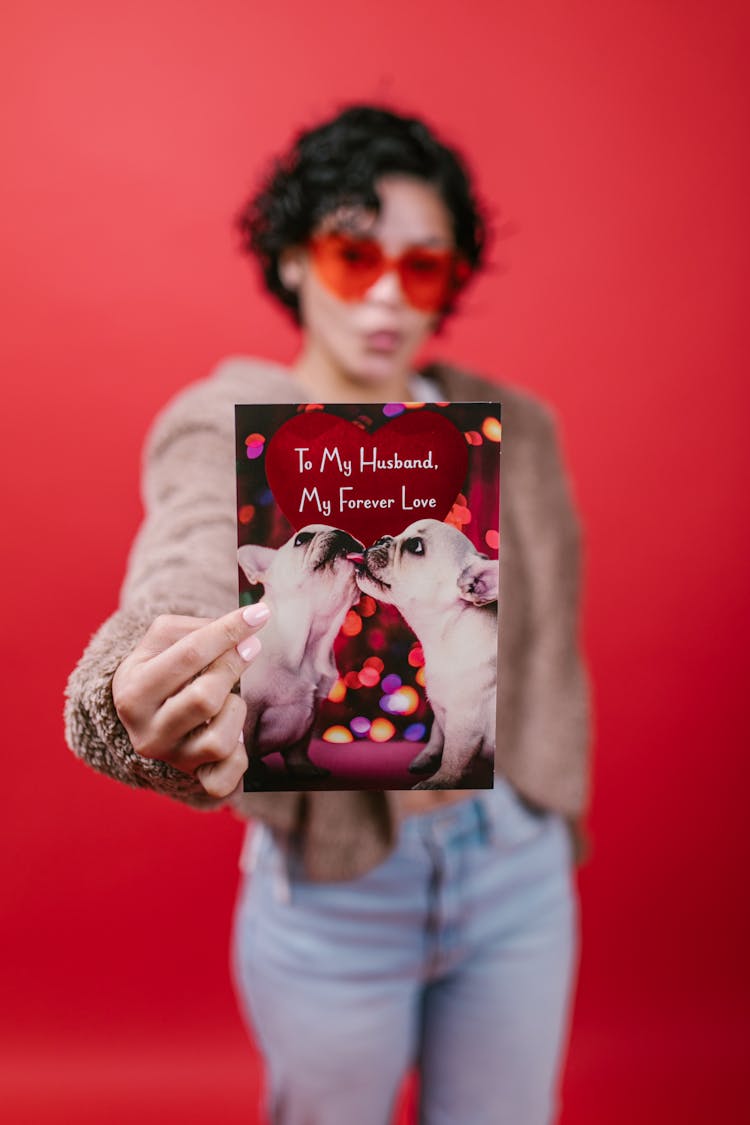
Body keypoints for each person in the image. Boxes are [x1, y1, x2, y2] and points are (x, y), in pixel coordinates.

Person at [65, 104, 590, 1124]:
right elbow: (181, 559)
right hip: (340, 883)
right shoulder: (228, 422)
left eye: (423, 266)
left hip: (517, 867)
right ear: (296, 261)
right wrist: (138, 674)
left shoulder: (515, 429)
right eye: (354, 256)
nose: (388, 293)